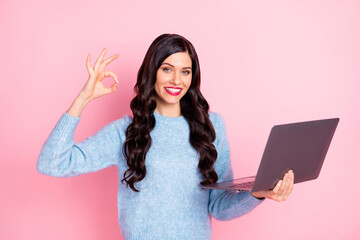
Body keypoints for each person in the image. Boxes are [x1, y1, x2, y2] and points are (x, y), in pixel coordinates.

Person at [37, 33, 294, 239]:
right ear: (152, 72)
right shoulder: (126, 132)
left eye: (185, 71)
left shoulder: (211, 127)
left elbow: (219, 206)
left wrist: (259, 194)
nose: (177, 80)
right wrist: (83, 99)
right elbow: (52, 163)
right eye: (167, 69)